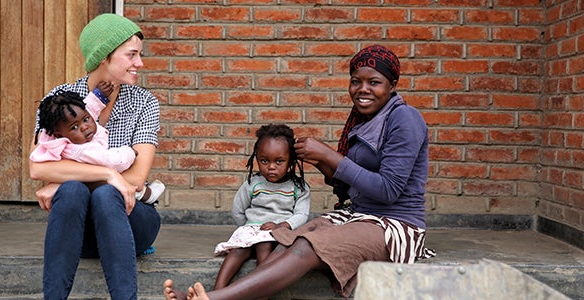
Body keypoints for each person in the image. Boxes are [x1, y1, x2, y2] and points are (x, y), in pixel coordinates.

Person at [163, 44, 436, 300]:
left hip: (394, 226)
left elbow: (387, 190)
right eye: (356, 81)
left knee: (308, 245)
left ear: (393, 85)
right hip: (358, 215)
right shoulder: (364, 121)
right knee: (287, 239)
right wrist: (321, 161)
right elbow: (350, 185)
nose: (362, 89)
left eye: (373, 82)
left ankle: (213, 298)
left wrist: (331, 156)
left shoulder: (405, 118)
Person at [28, 13, 162, 300]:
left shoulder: (145, 103)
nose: (140, 63)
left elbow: (137, 178)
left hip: (132, 221)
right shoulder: (59, 100)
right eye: (131, 55)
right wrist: (108, 174)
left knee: (95, 193)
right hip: (80, 230)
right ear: (104, 56)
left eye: (139, 55)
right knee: (74, 192)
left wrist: (61, 178)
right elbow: (37, 167)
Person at [30, 82, 165, 204]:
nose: (84, 127)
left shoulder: (76, 124)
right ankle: (146, 194)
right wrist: (129, 153)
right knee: (118, 192)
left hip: (91, 183)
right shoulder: (84, 150)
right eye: (74, 127)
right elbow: (111, 161)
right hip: (104, 189)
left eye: (86, 119)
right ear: (60, 134)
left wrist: (99, 95)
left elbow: (90, 109)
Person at [213, 124, 310, 289]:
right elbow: (238, 210)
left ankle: (260, 287)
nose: (271, 166)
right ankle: (217, 290)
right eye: (264, 161)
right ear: (256, 158)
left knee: (264, 245)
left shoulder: (298, 187)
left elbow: (301, 215)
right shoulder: (253, 183)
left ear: (291, 161)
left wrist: (282, 225)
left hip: (279, 232)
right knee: (237, 251)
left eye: (279, 161)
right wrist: (247, 229)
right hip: (253, 228)